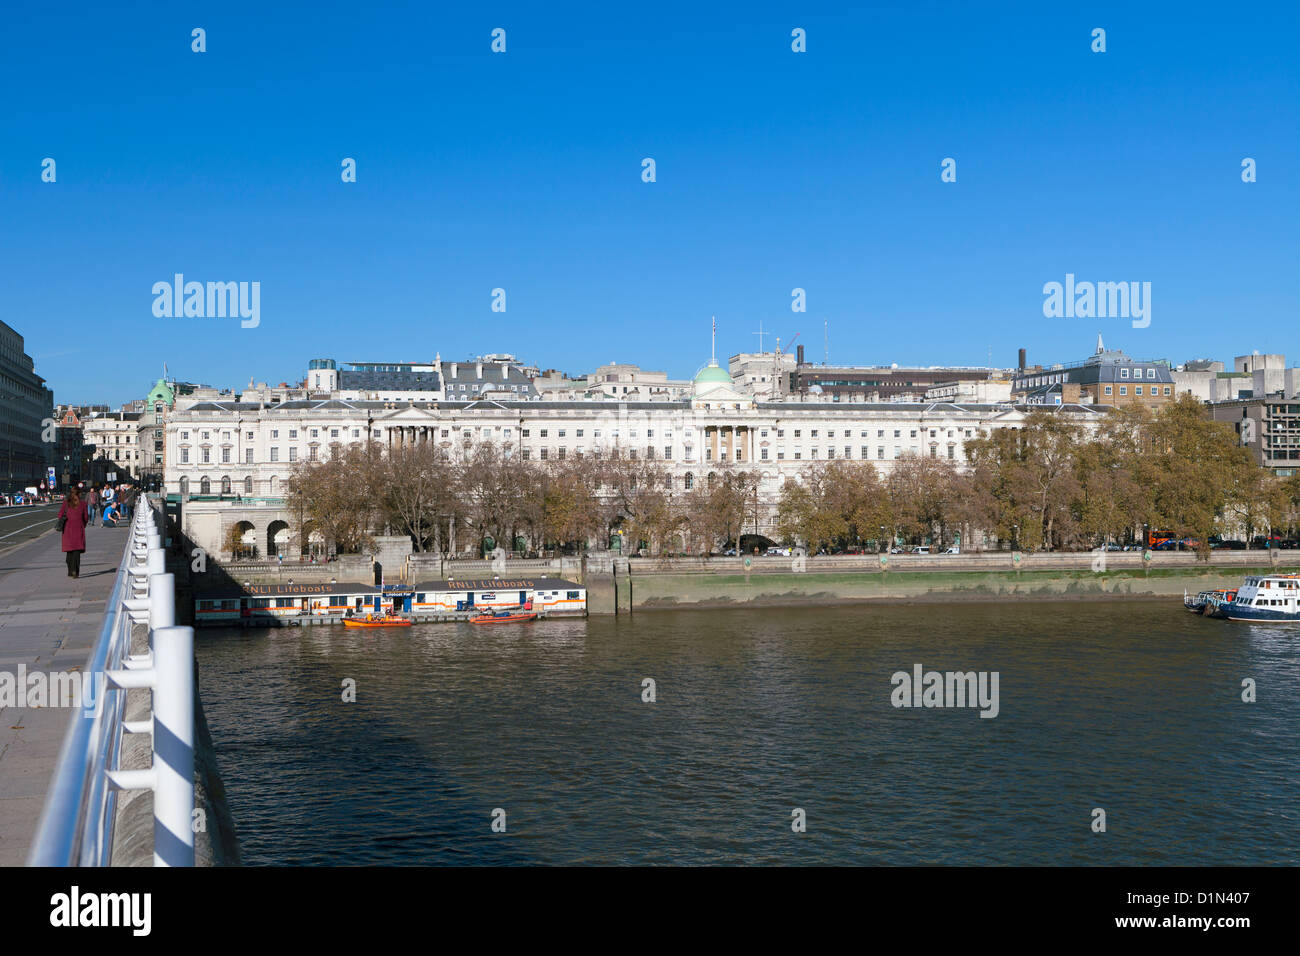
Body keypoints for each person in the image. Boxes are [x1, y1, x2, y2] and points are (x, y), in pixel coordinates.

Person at [58, 487, 90, 578]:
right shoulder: (83, 504)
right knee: (76, 551)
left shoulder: (66, 503)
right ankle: (75, 571)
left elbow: (60, 515)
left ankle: (70, 570)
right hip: (78, 528)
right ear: (79, 494)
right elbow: (86, 518)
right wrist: (83, 524)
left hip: (68, 529)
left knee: (69, 551)